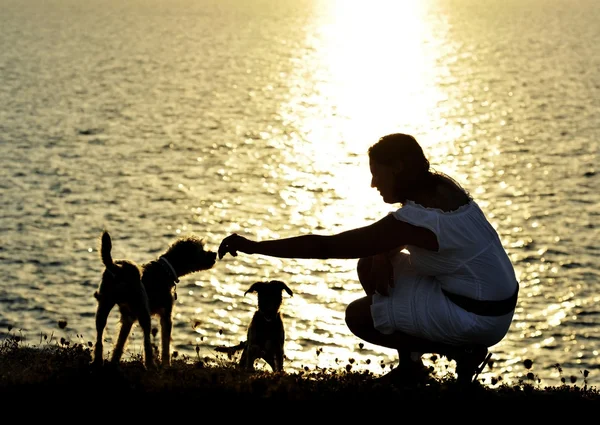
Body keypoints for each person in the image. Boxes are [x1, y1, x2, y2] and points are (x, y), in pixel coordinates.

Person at [218, 133, 519, 385]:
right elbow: (398, 239)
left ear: (398, 168)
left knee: (359, 317)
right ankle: (412, 367)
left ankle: (461, 352)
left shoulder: (417, 219)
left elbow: (326, 247)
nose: (373, 183)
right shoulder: (441, 188)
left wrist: (254, 246)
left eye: (377, 173)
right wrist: (379, 253)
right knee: (369, 262)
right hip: (493, 300)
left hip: (478, 317)